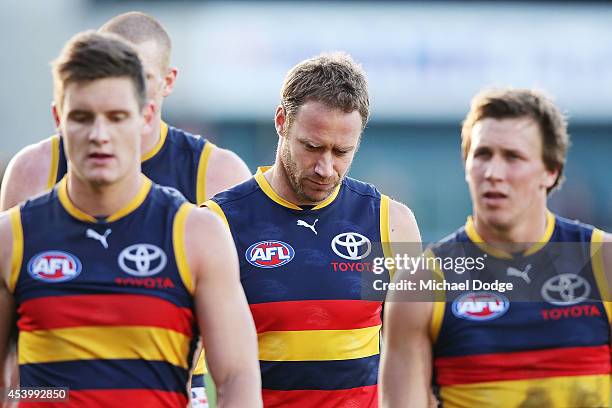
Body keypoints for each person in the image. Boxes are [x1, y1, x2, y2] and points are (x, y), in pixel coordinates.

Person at [0, 12, 252, 405]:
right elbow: (14, 367)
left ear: (152, 103)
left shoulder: (210, 196)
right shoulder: (21, 204)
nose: (100, 134)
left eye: (117, 116)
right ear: (59, 118)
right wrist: (50, 395)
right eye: (83, 117)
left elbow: (240, 362)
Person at [203, 52, 421, 407]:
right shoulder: (218, 224)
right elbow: (187, 360)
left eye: (342, 151)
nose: (325, 168)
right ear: (281, 121)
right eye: (312, 146)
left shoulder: (393, 222)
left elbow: (417, 352)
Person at [380, 88, 612, 407]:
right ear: (466, 164)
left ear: (551, 170)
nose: (493, 173)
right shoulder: (420, 284)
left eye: (513, 157)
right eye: (482, 155)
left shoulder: (604, 262)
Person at [0, 11, 251, 211]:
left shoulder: (218, 172)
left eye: (141, 78)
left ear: (169, 81)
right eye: (111, 76)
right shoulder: (33, 168)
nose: (127, 89)